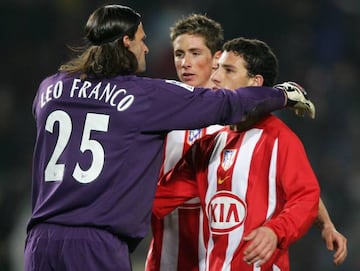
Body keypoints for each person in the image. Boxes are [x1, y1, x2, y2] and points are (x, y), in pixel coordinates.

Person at [24, 4, 315, 271]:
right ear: (126, 42)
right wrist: (282, 94)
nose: (147, 49)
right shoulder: (143, 96)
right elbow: (225, 104)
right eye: (141, 39)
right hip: (97, 242)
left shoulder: (49, 89)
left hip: (39, 241)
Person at [146, 14, 347, 271]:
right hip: (176, 257)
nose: (186, 63)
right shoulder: (187, 129)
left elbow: (303, 191)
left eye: (195, 53)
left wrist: (313, 225)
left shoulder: (277, 138)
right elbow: (158, 197)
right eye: (178, 54)